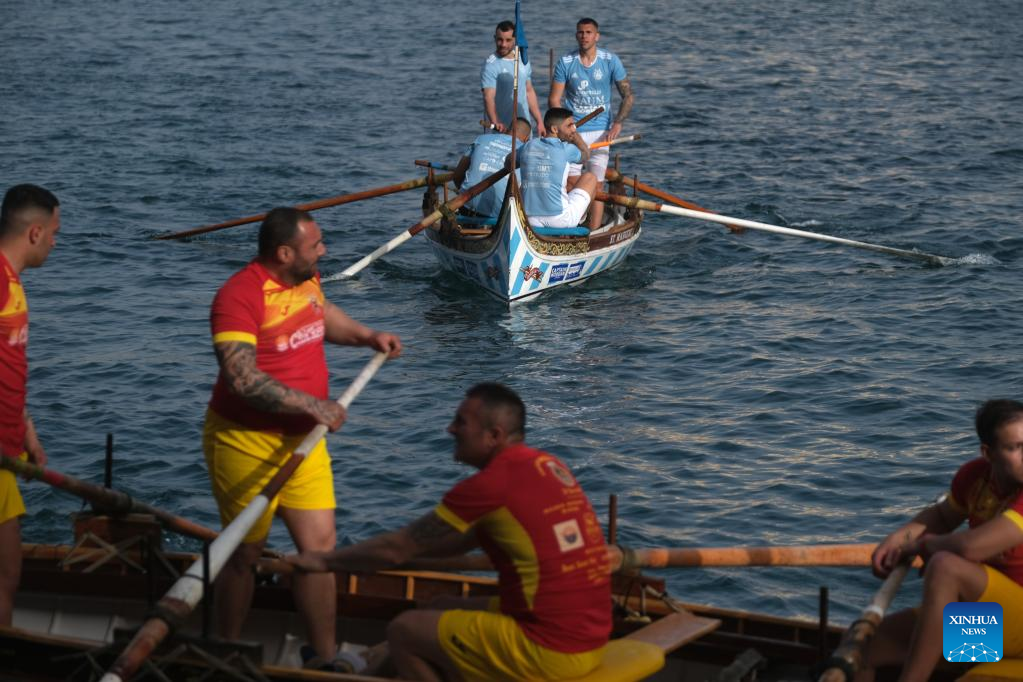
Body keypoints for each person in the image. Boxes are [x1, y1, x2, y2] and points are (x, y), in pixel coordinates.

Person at [288, 383, 612, 681]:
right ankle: (365, 673)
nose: (450, 429)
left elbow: (398, 548)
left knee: (403, 630)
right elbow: (451, 544)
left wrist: (324, 562)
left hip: (551, 647)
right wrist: (388, 555)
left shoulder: (490, 485)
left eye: (461, 422)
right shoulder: (547, 465)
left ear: (494, 435)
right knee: (436, 607)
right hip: (590, 635)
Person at [203, 206, 401, 670]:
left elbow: (322, 313)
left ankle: (325, 657)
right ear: (284, 252)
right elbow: (241, 378)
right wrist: (315, 407)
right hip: (243, 441)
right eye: (316, 245)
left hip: (304, 443)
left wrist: (367, 336)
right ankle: (223, 652)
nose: (324, 250)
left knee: (319, 551)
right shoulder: (238, 296)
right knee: (244, 554)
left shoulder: (306, 280)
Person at [858, 399, 1023, 682]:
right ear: (988, 453)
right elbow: (943, 517)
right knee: (867, 647)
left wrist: (923, 546)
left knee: (946, 566)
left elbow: (972, 547)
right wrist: (897, 540)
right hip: (990, 628)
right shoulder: (974, 477)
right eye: (1016, 447)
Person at [0, 184, 60, 626]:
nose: (57, 243)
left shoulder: (14, 283)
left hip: (7, 452)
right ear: (35, 232)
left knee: (8, 577)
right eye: (56, 233)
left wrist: (29, 435)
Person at [549, 17, 634, 230]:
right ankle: (571, 226)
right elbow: (554, 100)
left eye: (588, 32)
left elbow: (628, 96)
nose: (584, 36)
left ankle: (593, 232)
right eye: (580, 32)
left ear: (597, 36)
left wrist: (617, 124)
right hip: (573, 133)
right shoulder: (566, 62)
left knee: (596, 185)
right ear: (576, 35)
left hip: (601, 133)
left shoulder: (609, 60)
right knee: (569, 184)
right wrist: (564, 129)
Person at [518, 107, 598, 231]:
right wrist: (575, 136)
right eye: (569, 125)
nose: (573, 128)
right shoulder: (566, 149)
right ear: (555, 129)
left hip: (530, 219)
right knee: (591, 178)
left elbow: (508, 163)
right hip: (559, 220)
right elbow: (586, 154)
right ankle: (580, 221)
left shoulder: (528, 146)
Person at [451, 117, 531, 218]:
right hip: (500, 215)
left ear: (507, 129)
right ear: (526, 139)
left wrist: (463, 194)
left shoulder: (481, 138)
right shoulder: (526, 152)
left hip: (466, 204)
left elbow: (457, 176)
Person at [481, 20, 545, 137]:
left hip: (523, 129)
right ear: (494, 38)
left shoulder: (522, 59)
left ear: (515, 40)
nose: (503, 44)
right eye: (500, 40)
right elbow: (488, 97)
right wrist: (495, 122)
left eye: (508, 40)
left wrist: (539, 121)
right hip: (501, 129)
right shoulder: (491, 65)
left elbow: (529, 91)